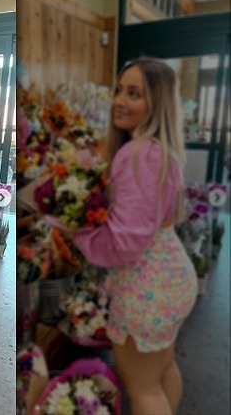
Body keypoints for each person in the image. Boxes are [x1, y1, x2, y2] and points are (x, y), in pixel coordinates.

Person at [72, 57, 196, 415]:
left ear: (156, 103)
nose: (120, 101)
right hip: (170, 282)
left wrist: (79, 229)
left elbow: (123, 242)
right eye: (119, 90)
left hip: (146, 290)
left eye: (135, 94)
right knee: (160, 370)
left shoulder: (138, 153)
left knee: (142, 388)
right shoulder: (161, 151)